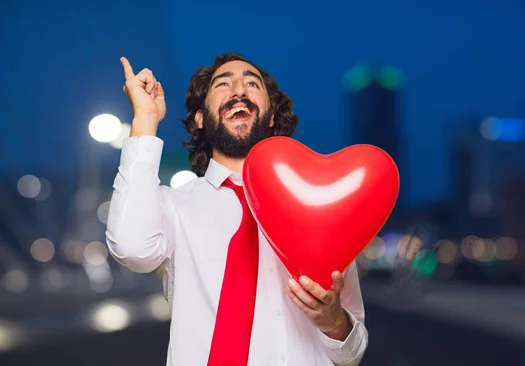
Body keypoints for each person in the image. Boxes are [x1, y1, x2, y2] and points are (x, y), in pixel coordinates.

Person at [105, 52, 368, 366]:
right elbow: (131, 248)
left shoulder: (320, 210)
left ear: (271, 115)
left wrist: (333, 320)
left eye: (251, 83)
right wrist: (144, 122)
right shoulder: (174, 206)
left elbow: (352, 354)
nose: (239, 90)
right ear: (200, 118)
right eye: (223, 84)